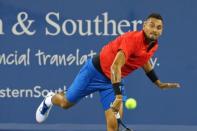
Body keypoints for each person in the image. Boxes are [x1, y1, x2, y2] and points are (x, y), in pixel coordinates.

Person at [36, 13, 180, 131]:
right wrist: (118, 96)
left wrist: (158, 82)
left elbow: (144, 60)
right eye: (152, 25)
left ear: (162, 31)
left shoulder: (153, 45)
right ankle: (49, 99)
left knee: (113, 127)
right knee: (65, 103)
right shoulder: (132, 40)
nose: (155, 30)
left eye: (159, 28)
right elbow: (115, 67)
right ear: (144, 25)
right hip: (94, 73)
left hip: (111, 82)